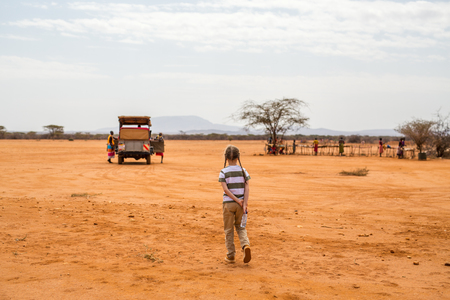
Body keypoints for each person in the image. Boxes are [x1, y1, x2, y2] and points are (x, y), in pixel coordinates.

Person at [219, 145, 251, 264]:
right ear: (238, 157)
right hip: (241, 205)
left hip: (228, 204)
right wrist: (244, 203)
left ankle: (231, 255)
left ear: (226, 158)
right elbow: (247, 187)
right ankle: (245, 245)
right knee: (241, 227)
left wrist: (236, 200)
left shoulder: (223, 172)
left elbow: (226, 190)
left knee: (228, 230)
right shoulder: (243, 171)